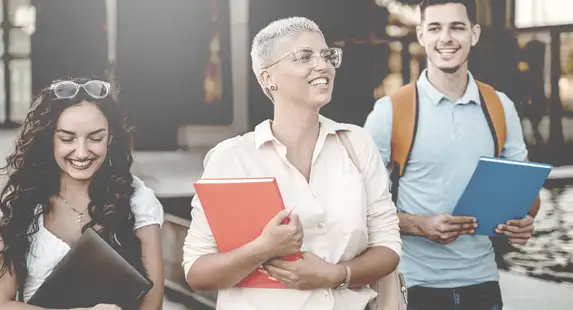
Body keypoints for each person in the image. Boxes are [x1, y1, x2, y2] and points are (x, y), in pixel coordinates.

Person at [182, 16, 402, 310]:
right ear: (267, 78)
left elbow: (388, 246)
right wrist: (263, 249)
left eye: (327, 55)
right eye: (304, 56)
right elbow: (197, 272)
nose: (322, 65)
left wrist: (337, 275)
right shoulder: (232, 158)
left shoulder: (357, 144)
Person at [363, 1, 540, 309]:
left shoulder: (500, 106)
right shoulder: (390, 112)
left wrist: (522, 221)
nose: (446, 38)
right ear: (420, 35)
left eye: (457, 27)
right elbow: (358, 208)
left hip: (483, 285)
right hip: (412, 285)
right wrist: (420, 225)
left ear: (474, 33)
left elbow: (528, 197)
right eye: (435, 28)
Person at [0, 78, 165, 310]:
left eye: (95, 138)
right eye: (67, 138)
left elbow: (153, 303)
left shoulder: (138, 199)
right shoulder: (21, 202)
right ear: (49, 140)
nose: (81, 152)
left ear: (110, 138)